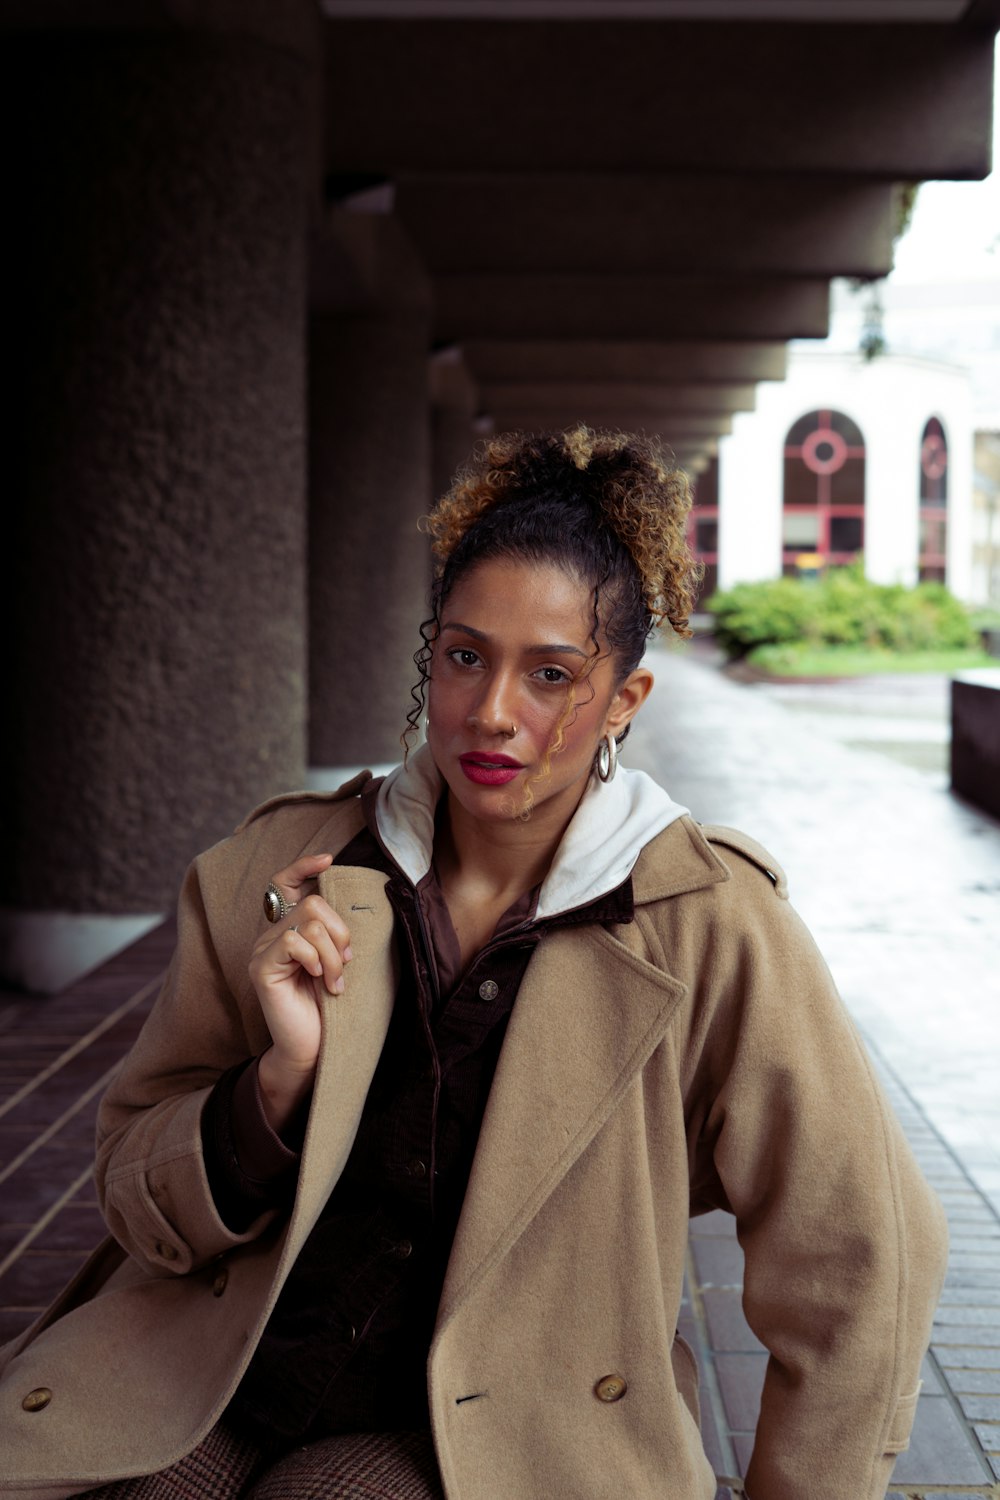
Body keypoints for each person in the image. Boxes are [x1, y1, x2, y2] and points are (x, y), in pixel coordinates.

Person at [1, 426, 947, 1500]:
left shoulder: (709, 924)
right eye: (464, 656)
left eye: (550, 674)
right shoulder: (276, 867)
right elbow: (133, 1188)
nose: (492, 712)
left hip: (501, 1434)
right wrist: (276, 1085)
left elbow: (863, 1254)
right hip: (216, 1367)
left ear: (622, 703)